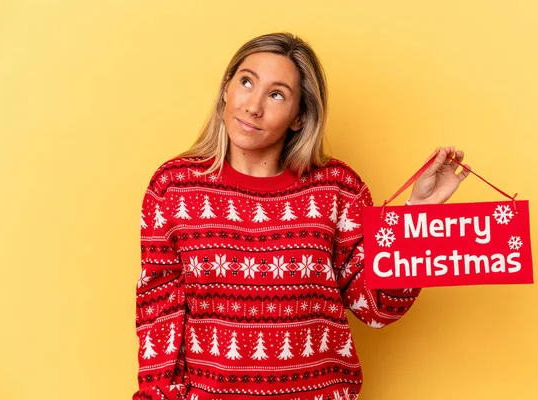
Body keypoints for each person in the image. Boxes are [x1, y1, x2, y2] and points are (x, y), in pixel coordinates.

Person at [133, 32, 470, 400]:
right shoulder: (173, 188)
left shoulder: (338, 189)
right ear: (226, 91)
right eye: (246, 82)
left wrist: (416, 217)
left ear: (299, 118)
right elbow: (159, 314)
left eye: (276, 94)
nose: (253, 106)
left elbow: (376, 308)